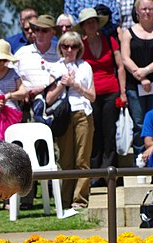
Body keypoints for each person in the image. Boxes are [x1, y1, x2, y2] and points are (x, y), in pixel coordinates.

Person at [75, 8, 127, 187]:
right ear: (82, 26)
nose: (91, 24)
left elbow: (120, 66)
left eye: (94, 21)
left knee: (109, 133)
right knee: (94, 134)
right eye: (87, 22)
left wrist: (123, 92)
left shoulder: (110, 40)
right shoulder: (79, 45)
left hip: (111, 91)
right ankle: (95, 176)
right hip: (90, 94)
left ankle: (111, 175)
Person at [46, 31, 95, 210]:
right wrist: (62, 84)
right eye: (65, 46)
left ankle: (80, 200)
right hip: (63, 115)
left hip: (83, 113)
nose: (69, 50)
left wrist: (75, 85)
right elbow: (49, 98)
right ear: (60, 48)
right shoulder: (55, 67)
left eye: (73, 46)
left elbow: (92, 96)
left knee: (82, 159)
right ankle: (65, 201)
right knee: (66, 161)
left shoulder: (85, 67)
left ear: (79, 49)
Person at [121, 0, 153, 159]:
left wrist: (146, 71)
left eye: (150, 9)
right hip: (134, 86)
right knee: (139, 124)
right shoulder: (128, 33)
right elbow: (125, 58)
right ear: (137, 11)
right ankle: (139, 160)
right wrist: (141, 77)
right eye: (143, 9)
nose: (147, 12)